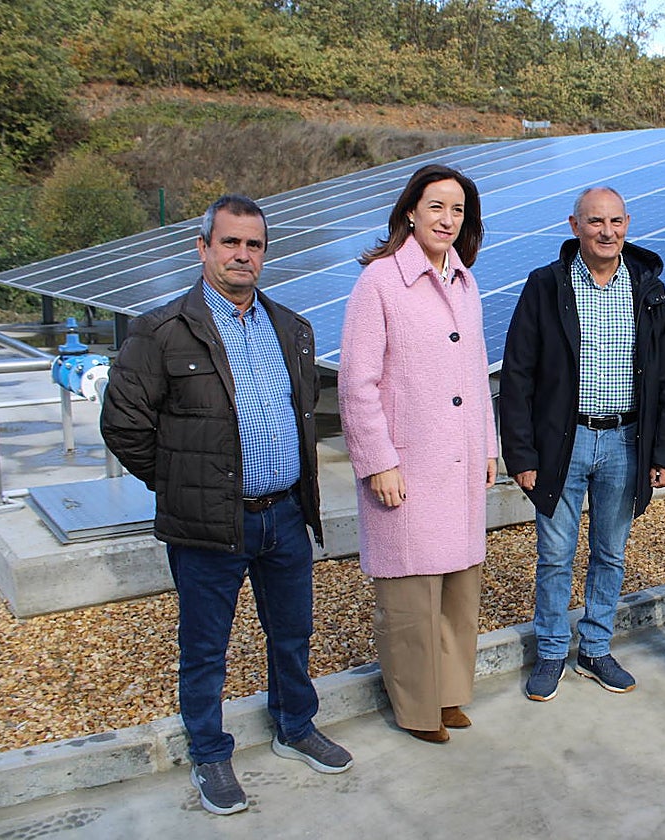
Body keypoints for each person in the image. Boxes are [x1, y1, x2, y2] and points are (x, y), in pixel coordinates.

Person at [101, 194, 352, 816]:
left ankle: (296, 725)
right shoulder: (160, 331)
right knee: (206, 646)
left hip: (286, 515)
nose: (243, 255)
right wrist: (186, 483)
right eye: (231, 242)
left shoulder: (292, 328)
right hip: (211, 522)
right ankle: (210, 753)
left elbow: (303, 418)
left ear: (265, 253)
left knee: (292, 633)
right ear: (204, 248)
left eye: (254, 245)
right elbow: (124, 426)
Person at [500, 186, 665, 702]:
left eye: (615, 222)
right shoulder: (546, 285)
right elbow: (518, 374)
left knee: (611, 552)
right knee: (555, 553)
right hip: (565, 441)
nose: (607, 232)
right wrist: (521, 454)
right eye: (595, 222)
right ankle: (553, 650)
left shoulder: (647, 289)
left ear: (628, 224)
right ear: (574, 225)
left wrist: (663, 452)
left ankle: (596, 647)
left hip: (626, 441)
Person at [338, 164, 498, 744]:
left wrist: (488, 444)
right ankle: (415, 708)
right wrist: (377, 461)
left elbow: (477, 373)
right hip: (407, 464)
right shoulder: (379, 282)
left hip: (459, 462)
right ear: (411, 210)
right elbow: (357, 383)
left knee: (459, 589)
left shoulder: (466, 280)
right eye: (436, 207)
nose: (447, 220)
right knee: (410, 598)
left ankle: (449, 695)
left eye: (457, 210)